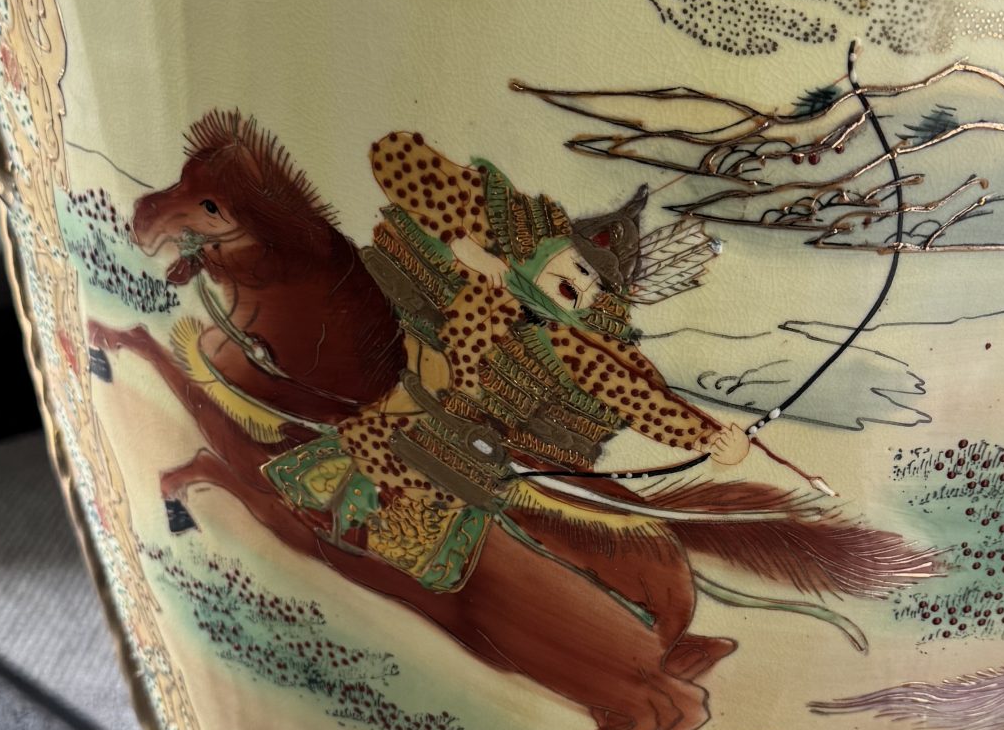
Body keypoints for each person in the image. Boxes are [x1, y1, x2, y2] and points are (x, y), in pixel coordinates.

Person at [266, 132, 746, 594]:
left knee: (434, 492)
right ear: (554, 247)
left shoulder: (578, 345)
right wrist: (461, 242)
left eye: (595, 288)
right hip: (406, 399)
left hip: (471, 447)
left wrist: (708, 439)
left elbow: (637, 395)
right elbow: (397, 156)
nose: (581, 286)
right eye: (580, 267)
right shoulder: (493, 253)